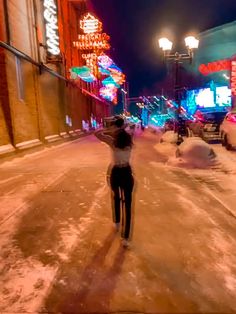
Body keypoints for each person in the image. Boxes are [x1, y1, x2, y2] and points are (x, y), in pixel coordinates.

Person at [94, 116, 134, 247]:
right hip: (127, 172)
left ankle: (117, 222)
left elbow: (97, 133)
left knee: (116, 198)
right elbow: (129, 126)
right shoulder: (129, 139)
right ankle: (126, 237)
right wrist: (119, 126)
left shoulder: (112, 140)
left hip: (116, 172)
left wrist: (109, 127)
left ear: (116, 128)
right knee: (127, 205)